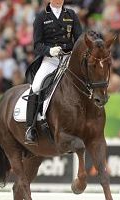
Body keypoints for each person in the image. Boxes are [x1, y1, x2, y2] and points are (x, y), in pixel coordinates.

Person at [24, 0, 82, 145]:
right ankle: (30, 128)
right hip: (50, 60)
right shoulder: (41, 17)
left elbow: (79, 39)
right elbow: (37, 45)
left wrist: (74, 53)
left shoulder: (71, 15)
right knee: (36, 87)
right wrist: (49, 51)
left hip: (69, 59)